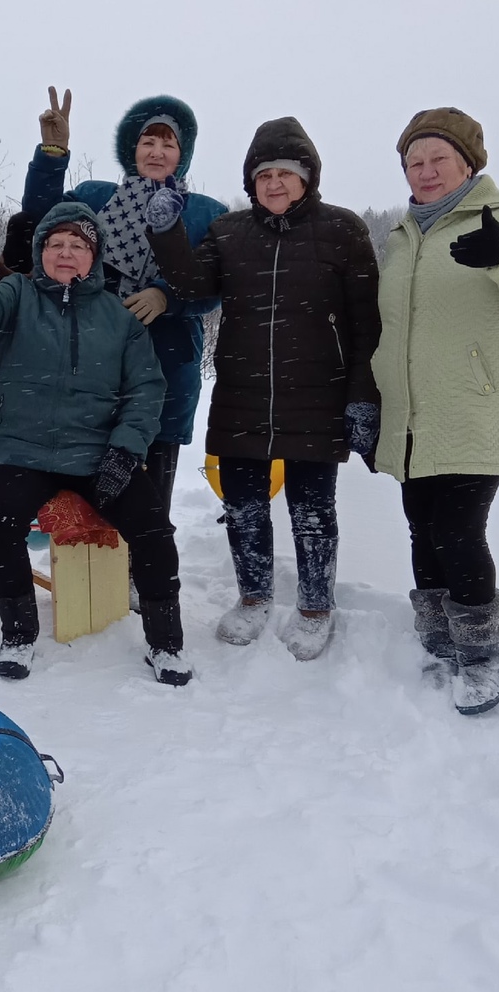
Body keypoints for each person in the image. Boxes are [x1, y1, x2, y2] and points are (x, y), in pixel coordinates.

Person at [146, 116, 381, 661]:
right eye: (263, 174)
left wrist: (364, 395)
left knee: (312, 510)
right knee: (245, 506)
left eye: (286, 173)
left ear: (307, 178)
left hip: (316, 394)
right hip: (242, 393)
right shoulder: (230, 233)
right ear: (251, 181)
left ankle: (316, 607)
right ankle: (253, 598)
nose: (274, 184)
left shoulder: (343, 231)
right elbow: (192, 285)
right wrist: (166, 232)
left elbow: (368, 324)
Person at [0, 201, 190, 685]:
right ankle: (18, 634)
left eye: (77, 245)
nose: (65, 253)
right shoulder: (16, 294)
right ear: (40, 251)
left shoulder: (118, 316)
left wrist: (126, 449)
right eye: (55, 244)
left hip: (98, 451)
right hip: (22, 447)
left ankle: (166, 643)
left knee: (153, 528)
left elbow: (147, 388)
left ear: (93, 257)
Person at [371, 108, 499, 714]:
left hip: (476, 404)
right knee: (422, 527)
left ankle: (481, 651)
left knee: (458, 530)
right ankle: (440, 635)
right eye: (413, 162)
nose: (424, 171)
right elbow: (392, 328)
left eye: (437, 159)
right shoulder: (402, 236)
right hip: (413, 413)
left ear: (468, 162)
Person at [21, 89, 226, 514]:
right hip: (92, 369)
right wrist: (53, 154)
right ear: (130, 149)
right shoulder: (95, 198)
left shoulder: (205, 213)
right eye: (147, 141)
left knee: (149, 504)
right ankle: (95, 578)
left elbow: (217, 283)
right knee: (88, 498)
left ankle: (141, 578)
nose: (157, 151)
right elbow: (41, 222)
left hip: (166, 370)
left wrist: (166, 296)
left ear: (182, 154)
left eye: (168, 143)